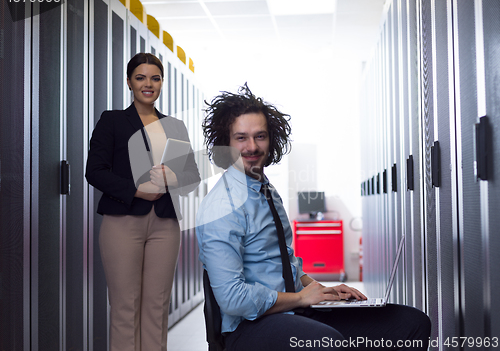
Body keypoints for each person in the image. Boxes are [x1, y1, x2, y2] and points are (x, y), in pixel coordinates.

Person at [195, 84, 431, 350]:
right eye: (241, 138)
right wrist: (300, 299)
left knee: (411, 323)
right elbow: (232, 299)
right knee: (326, 342)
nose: (252, 146)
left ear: (271, 138)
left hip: (294, 309)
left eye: (260, 136)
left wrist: (322, 290)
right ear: (225, 143)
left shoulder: (266, 190)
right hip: (249, 327)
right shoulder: (221, 207)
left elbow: (285, 266)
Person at [86, 52, 200, 351]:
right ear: (129, 82)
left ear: (162, 83)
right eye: (140, 78)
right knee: (126, 307)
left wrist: (172, 178)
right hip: (122, 222)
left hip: (165, 224)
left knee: (157, 306)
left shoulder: (174, 126)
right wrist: (137, 190)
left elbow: (191, 176)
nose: (148, 84)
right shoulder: (112, 121)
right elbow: (94, 171)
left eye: (155, 78)